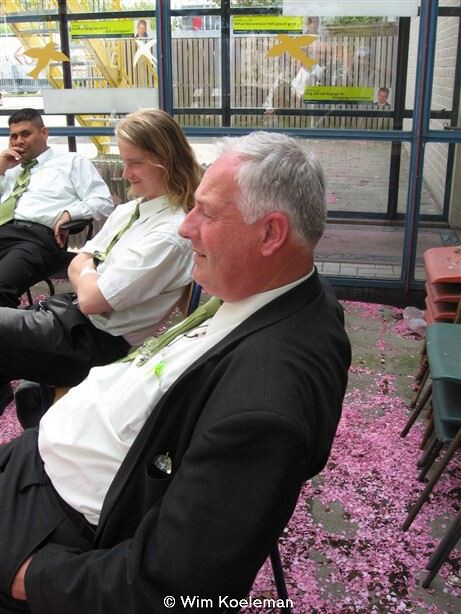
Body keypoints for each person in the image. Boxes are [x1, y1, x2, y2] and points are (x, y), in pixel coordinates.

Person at [0, 131, 351, 612]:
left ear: (270, 233)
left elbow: (178, 586)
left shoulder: (266, 407)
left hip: (49, 523)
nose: (185, 227)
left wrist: (33, 577)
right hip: (38, 462)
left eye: (207, 212)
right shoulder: (274, 291)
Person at [0, 108, 201, 414]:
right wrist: (87, 270)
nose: (124, 173)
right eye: (124, 162)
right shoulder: (132, 210)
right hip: (67, 318)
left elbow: (93, 298)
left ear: (167, 160)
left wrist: (86, 268)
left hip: (90, 341)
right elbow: (76, 264)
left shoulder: (171, 233)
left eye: (134, 163)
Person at [0, 108, 114, 310]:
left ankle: (12, 336)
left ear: (43, 133)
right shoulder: (9, 169)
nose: (18, 141)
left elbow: (102, 201)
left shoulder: (70, 162)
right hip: (4, 232)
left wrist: (71, 213)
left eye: (26, 134)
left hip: (36, 239)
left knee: (1, 287)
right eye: (14, 136)